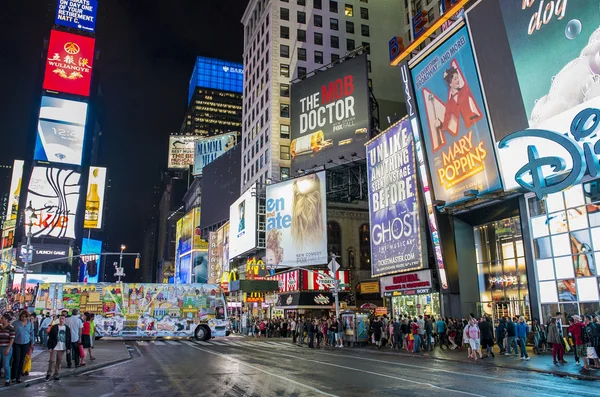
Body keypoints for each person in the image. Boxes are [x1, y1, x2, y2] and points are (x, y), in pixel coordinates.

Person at [45, 314, 71, 381]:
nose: (61, 320)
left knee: (59, 361)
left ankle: (56, 374)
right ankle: (49, 373)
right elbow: (50, 338)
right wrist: (50, 347)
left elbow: (68, 338)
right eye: (60, 319)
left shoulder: (67, 328)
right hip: (54, 346)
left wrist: (68, 348)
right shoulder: (54, 327)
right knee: (52, 360)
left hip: (62, 347)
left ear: (65, 320)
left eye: (63, 319)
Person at [11, 310, 34, 384]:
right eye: (22, 316)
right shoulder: (15, 323)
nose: (24, 318)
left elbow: (31, 333)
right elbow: (11, 333)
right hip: (16, 343)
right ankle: (13, 376)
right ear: (20, 316)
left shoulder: (29, 323)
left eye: (25, 317)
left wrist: (32, 343)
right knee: (16, 359)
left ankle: (18, 376)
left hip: (26, 343)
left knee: (22, 360)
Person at [0, 313, 15, 386]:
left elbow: (12, 339)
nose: (1, 319)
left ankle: (7, 379)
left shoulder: (11, 328)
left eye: (2, 318)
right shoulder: (0, 327)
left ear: (6, 320)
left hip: (6, 347)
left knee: (6, 364)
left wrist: (8, 348)